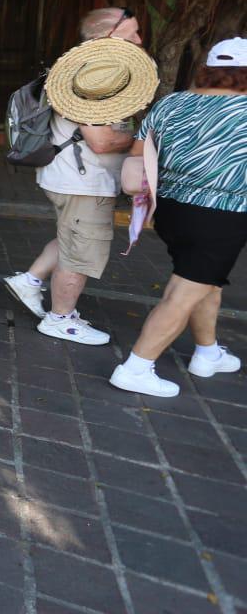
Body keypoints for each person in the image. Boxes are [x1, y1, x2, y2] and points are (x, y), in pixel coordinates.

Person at [2, 7, 155, 345]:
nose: (139, 40)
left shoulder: (93, 71)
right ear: (106, 37)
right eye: (132, 33)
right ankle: (60, 318)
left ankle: (30, 280)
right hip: (82, 180)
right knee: (81, 252)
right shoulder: (93, 77)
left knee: (72, 238)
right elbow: (101, 142)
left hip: (72, 177)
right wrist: (146, 138)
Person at [109, 38, 247, 397]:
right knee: (183, 292)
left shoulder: (171, 103)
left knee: (206, 282)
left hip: (169, 208)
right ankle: (136, 367)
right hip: (223, 214)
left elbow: (141, 154)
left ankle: (207, 352)